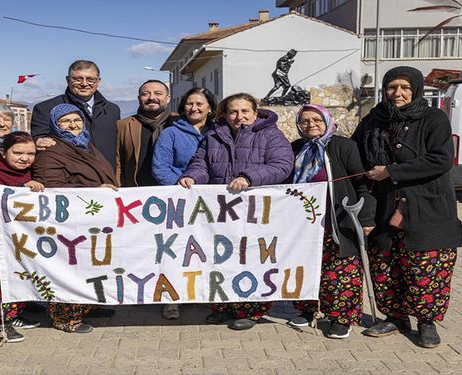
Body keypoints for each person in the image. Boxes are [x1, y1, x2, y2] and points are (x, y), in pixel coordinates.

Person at [352, 66, 461, 348]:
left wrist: (391, 170)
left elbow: (440, 159)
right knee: (385, 266)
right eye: (391, 87)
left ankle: (426, 323)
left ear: (415, 89)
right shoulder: (372, 121)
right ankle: (396, 317)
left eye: (404, 87)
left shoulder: (433, 118)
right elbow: (355, 156)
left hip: (427, 206)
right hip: (384, 206)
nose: (397, 93)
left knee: (427, 268)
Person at [178, 93, 293, 330]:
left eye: (245, 111)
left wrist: (248, 177)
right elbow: (201, 164)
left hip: (255, 211)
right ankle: (223, 307)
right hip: (221, 212)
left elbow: (282, 165)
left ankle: (250, 310)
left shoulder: (270, 134)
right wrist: (191, 177)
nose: (239, 116)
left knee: (251, 258)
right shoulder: (213, 136)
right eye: (233, 112)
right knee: (221, 257)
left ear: (255, 112)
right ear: (224, 114)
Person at [286, 104, 375, 339]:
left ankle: (341, 317)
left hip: (338, 220)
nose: (311, 124)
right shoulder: (295, 148)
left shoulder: (344, 146)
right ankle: (308, 310)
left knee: (341, 271)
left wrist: (366, 217)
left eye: (316, 119)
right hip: (304, 222)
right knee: (306, 268)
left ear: (327, 120)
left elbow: (362, 185)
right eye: (304, 121)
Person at [32, 103, 118, 333]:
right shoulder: (51, 151)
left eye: (77, 120)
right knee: (69, 270)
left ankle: (87, 306)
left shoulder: (85, 144)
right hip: (68, 224)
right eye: (65, 121)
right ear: (55, 125)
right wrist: (96, 190)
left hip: (91, 219)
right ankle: (64, 318)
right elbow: (52, 189)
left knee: (90, 266)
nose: (73, 125)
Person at [151, 87, 217, 320]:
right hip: (180, 201)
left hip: (212, 203)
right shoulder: (171, 133)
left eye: (200, 104)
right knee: (176, 250)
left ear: (210, 107)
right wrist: (181, 188)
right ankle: (172, 298)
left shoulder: (219, 132)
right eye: (190, 104)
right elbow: (160, 167)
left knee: (207, 249)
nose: (194, 108)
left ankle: (209, 293)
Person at [0, 131, 43, 343]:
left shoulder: (29, 172)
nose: (25, 158)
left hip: (19, 236)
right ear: (3, 152)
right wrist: (21, 190)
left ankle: (12, 316)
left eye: (31, 153)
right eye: (18, 152)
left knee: (19, 277)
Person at [30, 60, 121, 170]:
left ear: (98, 81)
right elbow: (39, 142)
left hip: (108, 177)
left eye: (90, 79)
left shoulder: (113, 110)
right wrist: (38, 141)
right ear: (68, 80)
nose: (84, 83)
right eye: (77, 79)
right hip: (69, 178)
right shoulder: (45, 108)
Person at [116, 80, 178, 187]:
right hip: (136, 193)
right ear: (139, 98)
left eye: (158, 93)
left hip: (173, 193)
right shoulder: (123, 125)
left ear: (168, 98)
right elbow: (117, 162)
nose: (151, 98)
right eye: (145, 94)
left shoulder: (178, 123)